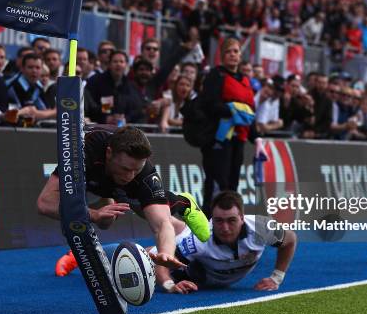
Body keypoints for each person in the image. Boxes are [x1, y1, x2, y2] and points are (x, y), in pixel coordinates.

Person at [36, 125, 210, 276]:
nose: (130, 176)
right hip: (90, 180)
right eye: (126, 169)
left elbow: (162, 225)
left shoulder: (143, 174)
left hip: (116, 185)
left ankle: (183, 202)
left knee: (142, 212)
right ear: (109, 153)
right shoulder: (83, 150)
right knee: (92, 217)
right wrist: (93, 214)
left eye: (136, 169)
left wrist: (166, 253)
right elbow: (44, 203)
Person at [154, 191, 297, 293]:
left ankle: (178, 225)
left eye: (232, 220)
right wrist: (170, 285)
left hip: (218, 278)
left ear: (242, 217)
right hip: (194, 275)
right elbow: (162, 261)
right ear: (212, 220)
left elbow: (290, 240)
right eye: (219, 221)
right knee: (148, 257)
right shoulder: (198, 241)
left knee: (179, 230)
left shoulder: (261, 228)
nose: (225, 228)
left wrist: (276, 278)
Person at [196, 37, 262, 214]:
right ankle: (209, 222)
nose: (233, 55)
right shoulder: (215, 75)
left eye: (236, 51)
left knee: (232, 183)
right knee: (218, 182)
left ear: (240, 55)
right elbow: (208, 104)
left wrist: (256, 138)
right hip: (218, 138)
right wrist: (232, 109)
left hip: (239, 138)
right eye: (228, 51)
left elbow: (250, 111)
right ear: (222, 56)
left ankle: (229, 224)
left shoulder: (245, 80)